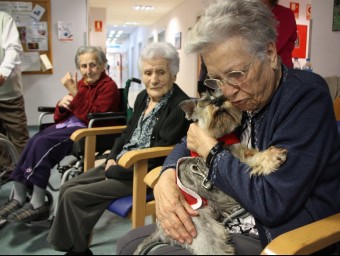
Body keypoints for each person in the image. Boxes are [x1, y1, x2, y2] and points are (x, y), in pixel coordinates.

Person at [116, 0, 340, 255]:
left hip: (279, 233)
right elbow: (189, 140)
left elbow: (273, 203)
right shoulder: (244, 95)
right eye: (217, 79)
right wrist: (166, 177)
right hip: (229, 214)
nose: (228, 91)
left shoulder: (304, 97)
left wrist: (212, 153)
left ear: (269, 54)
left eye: (236, 74)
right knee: (128, 243)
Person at [47, 42, 191, 255]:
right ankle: (77, 247)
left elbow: (160, 154)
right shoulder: (143, 97)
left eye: (161, 72)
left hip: (142, 173)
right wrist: (112, 157)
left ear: (174, 75)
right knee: (68, 187)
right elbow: (126, 133)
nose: (153, 79)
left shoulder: (179, 105)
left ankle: (75, 250)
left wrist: (115, 169)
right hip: (120, 165)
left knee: (74, 196)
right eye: (148, 72)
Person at [0, 45, 120, 224]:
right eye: (84, 66)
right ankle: (18, 196)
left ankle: (38, 202)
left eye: (93, 65)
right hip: (69, 125)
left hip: (89, 130)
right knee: (34, 140)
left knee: (43, 144)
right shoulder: (82, 84)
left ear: (103, 65)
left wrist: (73, 92)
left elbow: (93, 116)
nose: (88, 71)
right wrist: (61, 104)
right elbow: (60, 115)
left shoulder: (109, 87)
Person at [0, 11, 29, 155]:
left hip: (9, 95)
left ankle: (25, 174)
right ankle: (4, 173)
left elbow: (13, 49)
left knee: (19, 139)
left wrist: (3, 73)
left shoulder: (3, 18)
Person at [262, 0, 297, 68]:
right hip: (254, 70)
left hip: (279, 72)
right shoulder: (249, 14)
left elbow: (272, 45)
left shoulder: (285, 14)